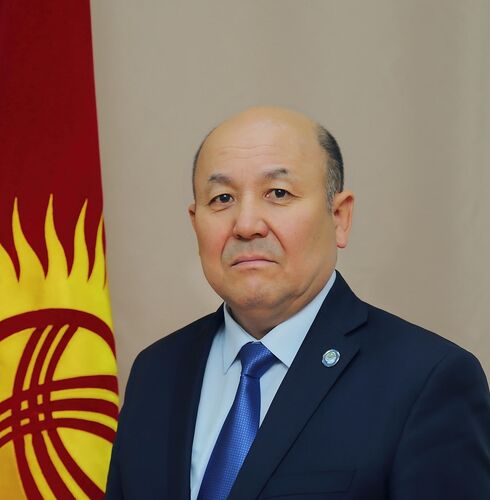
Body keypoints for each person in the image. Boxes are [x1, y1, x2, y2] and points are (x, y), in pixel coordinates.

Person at [105, 107, 490, 499]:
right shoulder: (157, 371)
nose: (246, 225)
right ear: (195, 221)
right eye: (222, 198)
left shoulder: (427, 380)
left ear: (339, 217)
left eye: (278, 193)